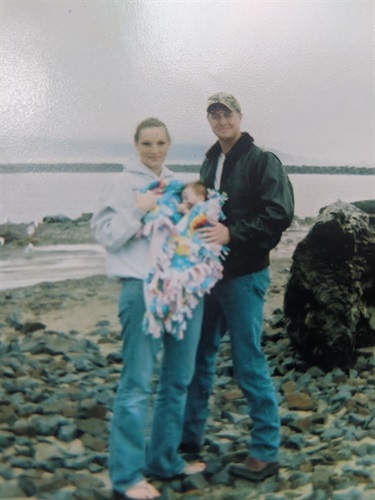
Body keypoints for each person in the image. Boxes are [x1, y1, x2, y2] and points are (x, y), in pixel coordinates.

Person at [180, 93, 295, 481]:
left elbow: (279, 213)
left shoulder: (263, 160)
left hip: (245, 276)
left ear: (239, 116)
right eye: (214, 114)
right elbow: (206, 210)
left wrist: (233, 233)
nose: (221, 120)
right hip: (210, 276)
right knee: (199, 357)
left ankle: (265, 451)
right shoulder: (211, 159)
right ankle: (188, 443)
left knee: (248, 361)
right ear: (209, 121)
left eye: (226, 113)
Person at [91, 117, 205, 500]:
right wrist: (138, 210)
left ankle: (164, 460)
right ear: (136, 145)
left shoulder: (178, 184)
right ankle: (125, 477)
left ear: (169, 144)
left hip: (182, 292)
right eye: (146, 144)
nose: (154, 150)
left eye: (160, 143)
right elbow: (106, 236)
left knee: (177, 380)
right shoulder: (122, 184)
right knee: (137, 384)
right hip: (141, 290)